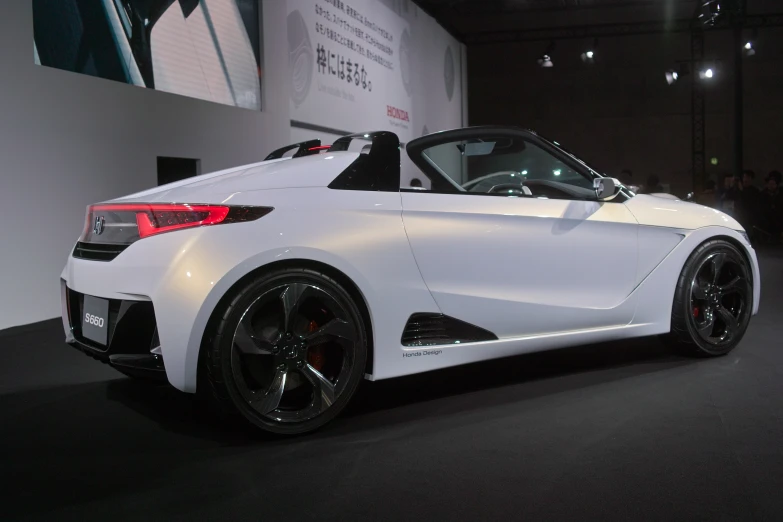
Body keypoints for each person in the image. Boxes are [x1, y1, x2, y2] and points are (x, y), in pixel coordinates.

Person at [758, 171, 783, 242]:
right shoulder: (763, 194)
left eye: (773, 184)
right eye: (769, 184)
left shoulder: (780, 193)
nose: (771, 186)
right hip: (767, 218)